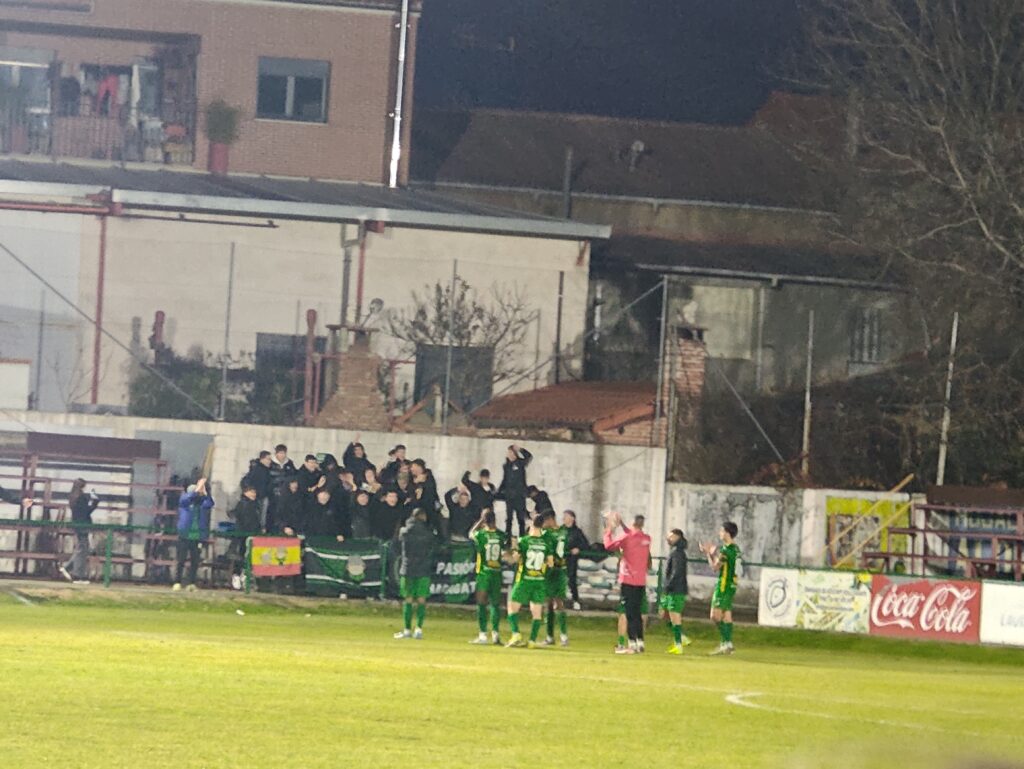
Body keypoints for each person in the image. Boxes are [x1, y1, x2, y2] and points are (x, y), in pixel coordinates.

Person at [603, 511, 652, 655]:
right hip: (640, 581)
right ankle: (640, 642)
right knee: (637, 612)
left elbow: (609, 546)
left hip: (628, 579)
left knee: (629, 613)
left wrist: (609, 530)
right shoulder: (647, 539)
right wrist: (622, 524)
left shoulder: (626, 537)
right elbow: (632, 535)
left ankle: (632, 643)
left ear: (633, 523)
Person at [505, 514, 554, 649]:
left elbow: (515, 559)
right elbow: (550, 563)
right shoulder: (546, 543)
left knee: (512, 607)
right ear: (542, 525)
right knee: (536, 612)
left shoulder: (524, 541)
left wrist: (513, 549)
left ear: (532, 523)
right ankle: (532, 640)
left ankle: (516, 634)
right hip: (539, 580)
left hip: (524, 579)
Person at [394, 508, 436, 640]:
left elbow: (397, 545)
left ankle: (407, 630)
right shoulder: (429, 534)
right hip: (424, 569)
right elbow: (433, 548)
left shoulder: (404, 531)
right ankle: (418, 629)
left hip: (408, 568)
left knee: (408, 598)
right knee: (422, 598)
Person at [701, 521, 740, 656]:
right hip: (732, 585)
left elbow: (715, 567)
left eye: (722, 531)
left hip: (723, 586)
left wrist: (709, 554)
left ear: (727, 533)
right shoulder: (736, 549)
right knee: (726, 616)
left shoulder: (726, 550)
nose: (720, 533)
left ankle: (727, 643)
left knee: (715, 616)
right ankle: (725, 645)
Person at [468, 510, 506, 645]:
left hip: (484, 573)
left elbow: (471, 533)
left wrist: (480, 521)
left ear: (484, 521)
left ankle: (483, 635)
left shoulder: (481, 534)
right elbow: (506, 551)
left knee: (481, 603)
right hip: (496, 573)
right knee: (495, 604)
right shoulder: (501, 535)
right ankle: (495, 634)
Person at [173, 478, 214, 592]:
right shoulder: (185, 502)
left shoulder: (202, 504)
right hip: (184, 535)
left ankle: (191, 583)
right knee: (181, 560)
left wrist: (205, 492)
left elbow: (210, 503)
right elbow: (186, 499)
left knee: (195, 562)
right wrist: (197, 489)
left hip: (197, 536)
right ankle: (177, 582)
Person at [58, 479, 99, 584]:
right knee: (82, 550)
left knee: (81, 549)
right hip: (83, 524)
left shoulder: (73, 497)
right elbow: (86, 511)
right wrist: (95, 502)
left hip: (77, 524)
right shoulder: (81, 497)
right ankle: (77, 575)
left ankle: (67, 568)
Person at [541, 511, 570, 646]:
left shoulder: (547, 534)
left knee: (551, 603)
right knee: (557, 603)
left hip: (552, 570)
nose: (543, 524)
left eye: (544, 521)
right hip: (562, 569)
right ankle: (559, 636)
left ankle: (554, 636)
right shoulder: (564, 532)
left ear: (549, 519)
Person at [661, 528, 691, 654]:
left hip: (676, 589)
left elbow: (676, 572)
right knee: (664, 614)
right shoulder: (675, 552)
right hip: (672, 589)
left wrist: (669, 585)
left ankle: (678, 644)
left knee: (675, 615)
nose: (668, 538)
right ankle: (681, 637)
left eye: (671, 536)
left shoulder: (678, 553)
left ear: (678, 537)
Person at [228, 484, 262, 590]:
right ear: (245, 493)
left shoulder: (256, 505)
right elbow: (238, 516)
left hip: (252, 535)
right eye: (251, 492)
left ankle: (245, 577)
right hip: (242, 536)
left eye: (254, 492)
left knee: (249, 558)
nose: (254, 494)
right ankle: (237, 576)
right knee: (240, 556)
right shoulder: (242, 504)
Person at [498, 444, 532, 538]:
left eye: (512, 453)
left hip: (519, 496)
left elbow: (529, 457)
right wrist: (499, 491)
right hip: (509, 496)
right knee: (509, 519)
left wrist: (520, 449)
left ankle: (522, 538)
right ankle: (507, 539)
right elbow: (505, 480)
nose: (510, 455)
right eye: (508, 453)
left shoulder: (520, 463)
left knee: (521, 519)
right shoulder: (506, 466)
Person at [564, 510, 589, 610]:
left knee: (571, 579)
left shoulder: (577, 532)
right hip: (561, 558)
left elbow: (585, 544)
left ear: (572, 518)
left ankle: (575, 600)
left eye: (566, 516)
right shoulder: (561, 530)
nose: (564, 518)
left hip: (571, 559)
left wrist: (578, 548)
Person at [242, 450, 273, 527]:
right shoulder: (257, 469)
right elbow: (246, 481)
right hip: (257, 496)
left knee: (262, 515)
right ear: (262, 459)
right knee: (259, 515)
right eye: (268, 459)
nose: (270, 461)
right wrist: (251, 492)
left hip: (263, 495)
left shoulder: (266, 470)